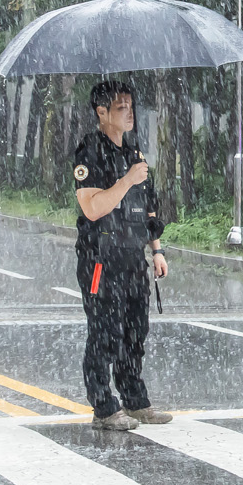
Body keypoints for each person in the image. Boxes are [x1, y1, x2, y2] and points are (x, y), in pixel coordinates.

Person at [74, 80, 171, 432]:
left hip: (132, 255)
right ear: (101, 112)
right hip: (100, 256)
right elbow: (93, 207)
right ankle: (103, 405)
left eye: (130, 105)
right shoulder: (89, 151)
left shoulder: (134, 152)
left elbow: (147, 207)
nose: (129, 112)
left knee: (134, 331)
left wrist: (156, 250)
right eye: (120, 107)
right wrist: (127, 181)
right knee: (105, 332)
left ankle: (134, 399)